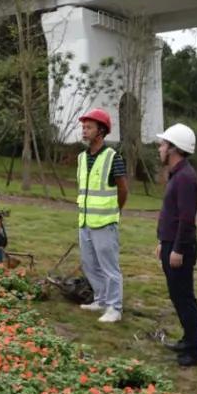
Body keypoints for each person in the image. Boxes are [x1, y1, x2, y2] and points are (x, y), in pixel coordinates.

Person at [154, 123, 197, 367]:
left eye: (163, 145)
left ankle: (194, 350)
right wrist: (163, 242)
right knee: (177, 295)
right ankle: (188, 338)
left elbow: (187, 219)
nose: (159, 148)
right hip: (170, 243)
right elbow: (170, 214)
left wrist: (178, 250)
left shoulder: (185, 178)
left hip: (179, 247)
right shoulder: (176, 174)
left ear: (174, 148)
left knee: (184, 297)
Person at [76, 108, 129, 324]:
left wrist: (116, 210)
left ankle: (114, 308)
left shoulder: (113, 157)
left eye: (89, 127)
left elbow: (123, 189)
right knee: (89, 264)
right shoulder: (81, 158)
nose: (84, 131)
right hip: (85, 221)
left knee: (109, 267)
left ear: (101, 131)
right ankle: (100, 299)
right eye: (83, 127)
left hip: (105, 222)